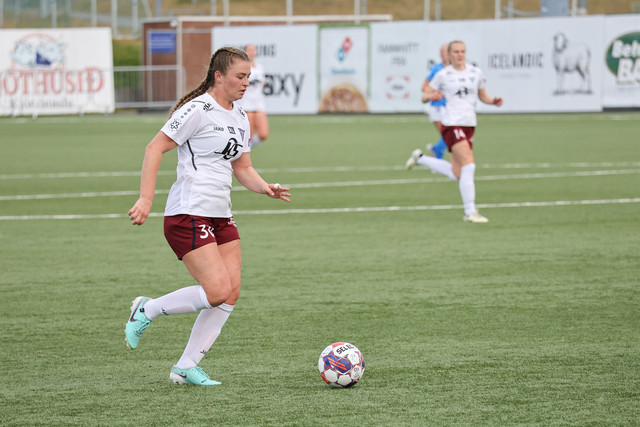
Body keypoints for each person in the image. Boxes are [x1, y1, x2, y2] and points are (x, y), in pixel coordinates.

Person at [125, 47, 291, 386]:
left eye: (248, 77)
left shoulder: (240, 115)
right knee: (216, 291)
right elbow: (154, 148)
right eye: (240, 77)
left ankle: (186, 366)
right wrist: (145, 199)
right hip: (188, 212)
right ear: (219, 76)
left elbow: (242, 167)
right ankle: (147, 309)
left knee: (231, 292)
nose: (246, 83)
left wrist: (265, 187)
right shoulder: (197, 110)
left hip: (220, 214)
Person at [405, 40, 502, 223]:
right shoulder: (443, 74)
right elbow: (424, 95)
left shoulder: (475, 72)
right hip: (451, 124)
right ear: (449, 55)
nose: (459, 55)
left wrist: (493, 101)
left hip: (469, 124)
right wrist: (430, 96)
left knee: (458, 173)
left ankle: (421, 159)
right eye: (456, 52)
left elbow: (482, 95)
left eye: (462, 51)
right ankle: (470, 212)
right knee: (469, 165)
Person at [236, 44, 269, 147]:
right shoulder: (242, 67)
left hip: (258, 103)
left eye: (253, 50)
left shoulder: (260, 67)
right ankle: (245, 151)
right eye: (249, 50)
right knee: (248, 134)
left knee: (263, 134)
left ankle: (247, 148)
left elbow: (263, 83)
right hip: (246, 103)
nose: (251, 52)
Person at [421, 44, 450, 159]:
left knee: (450, 136)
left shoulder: (456, 70)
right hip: (437, 106)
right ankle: (437, 155)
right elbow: (424, 87)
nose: (443, 54)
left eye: (445, 51)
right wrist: (433, 94)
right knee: (447, 135)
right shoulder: (436, 69)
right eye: (441, 51)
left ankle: (436, 150)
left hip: (452, 107)